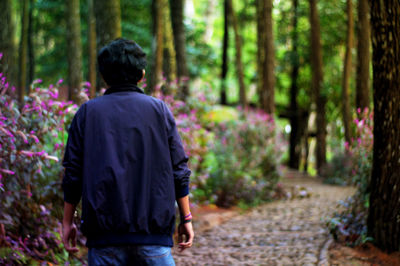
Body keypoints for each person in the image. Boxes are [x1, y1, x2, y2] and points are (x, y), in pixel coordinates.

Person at [62, 38, 194, 265]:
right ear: (142, 74)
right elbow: (179, 168)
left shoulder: (87, 113)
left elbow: (73, 174)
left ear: (104, 76)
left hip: (104, 238)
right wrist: (186, 218)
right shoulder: (160, 111)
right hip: (153, 236)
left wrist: (67, 222)